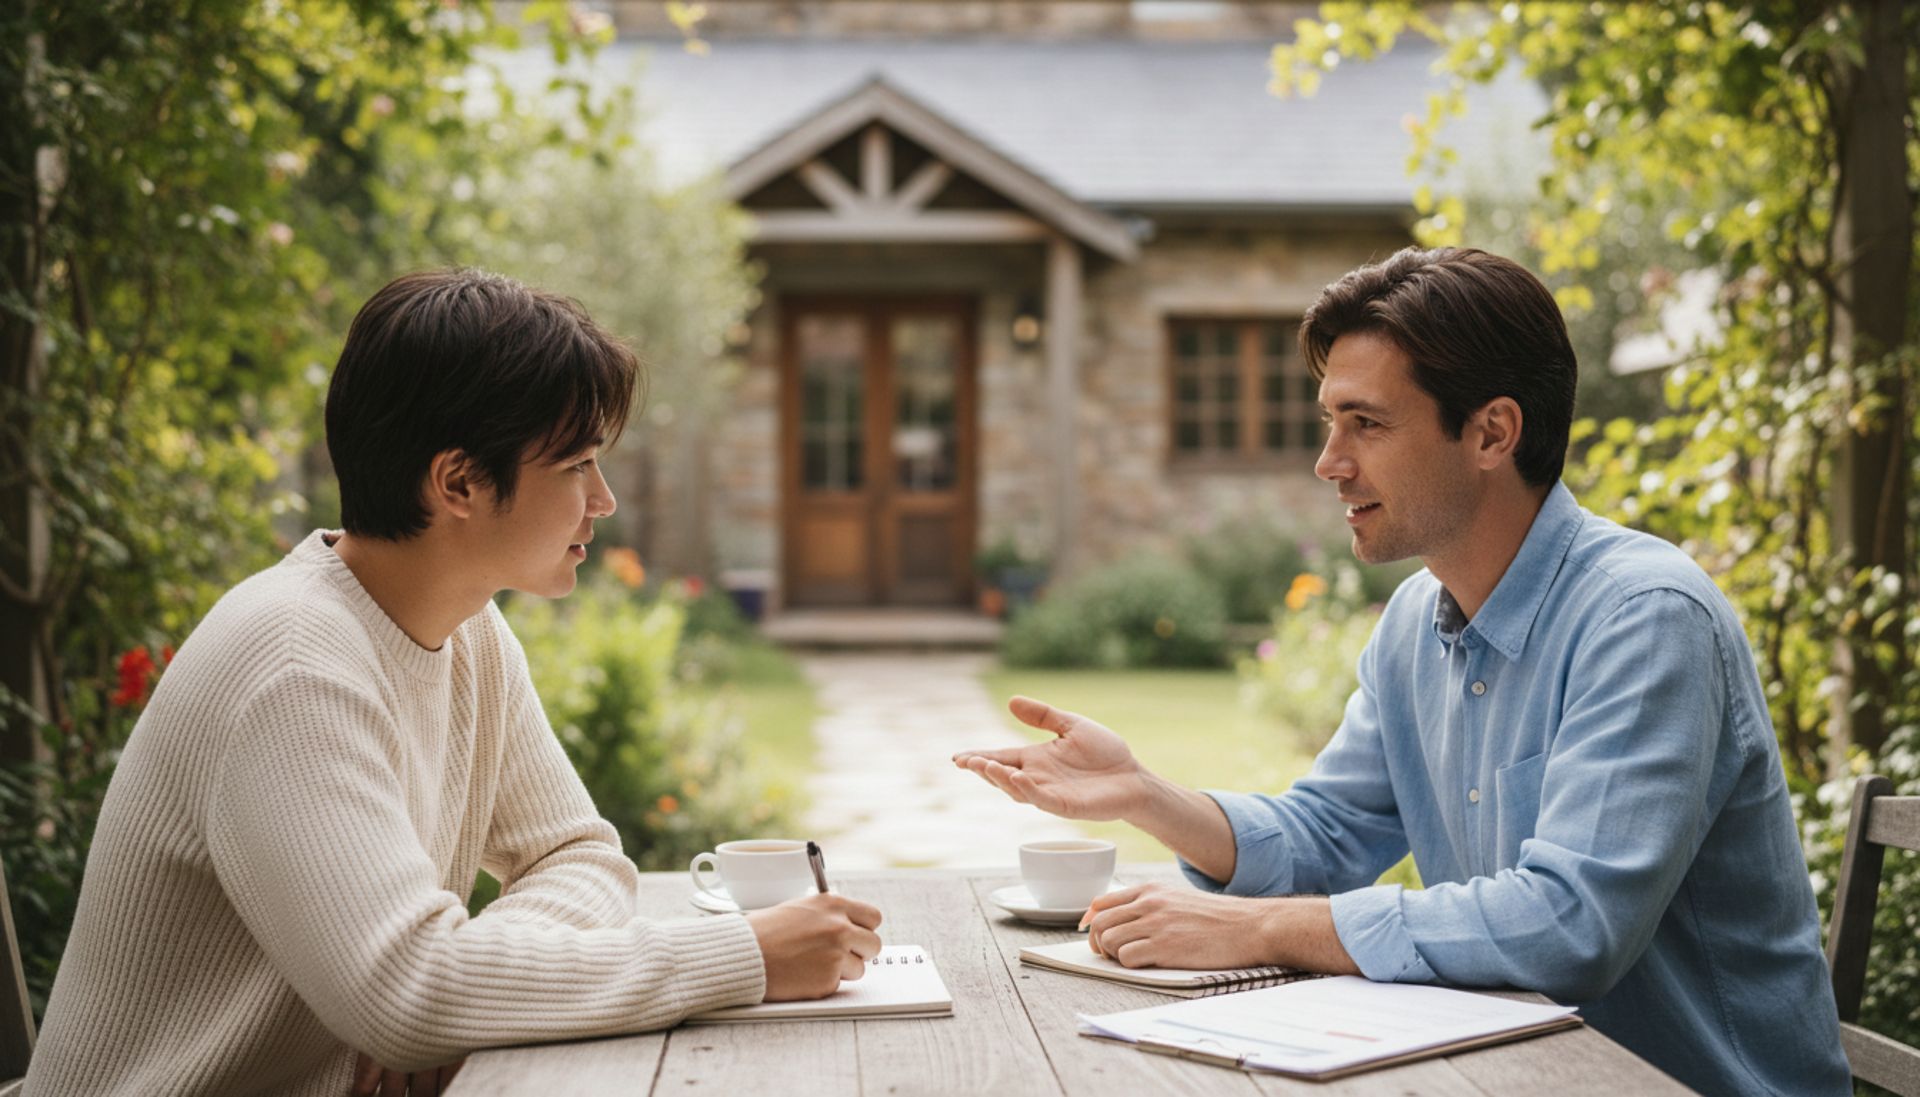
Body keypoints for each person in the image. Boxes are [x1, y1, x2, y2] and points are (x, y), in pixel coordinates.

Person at [954, 248, 1851, 1096]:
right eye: (1329, 422)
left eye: (1367, 424)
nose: (1329, 462)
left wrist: (1263, 927)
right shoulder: (1416, 624)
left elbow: (1572, 925)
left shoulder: (1646, 618)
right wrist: (1144, 792)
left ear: (1493, 432)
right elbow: (1329, 833)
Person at [26, 270, 883, 1097]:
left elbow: (578, 857)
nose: (606, 500)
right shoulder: (293, 665)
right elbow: (410, 993)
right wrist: (743, 957)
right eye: (578, 464)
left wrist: (469, 995)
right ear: (459, 482)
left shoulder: (467, 628)